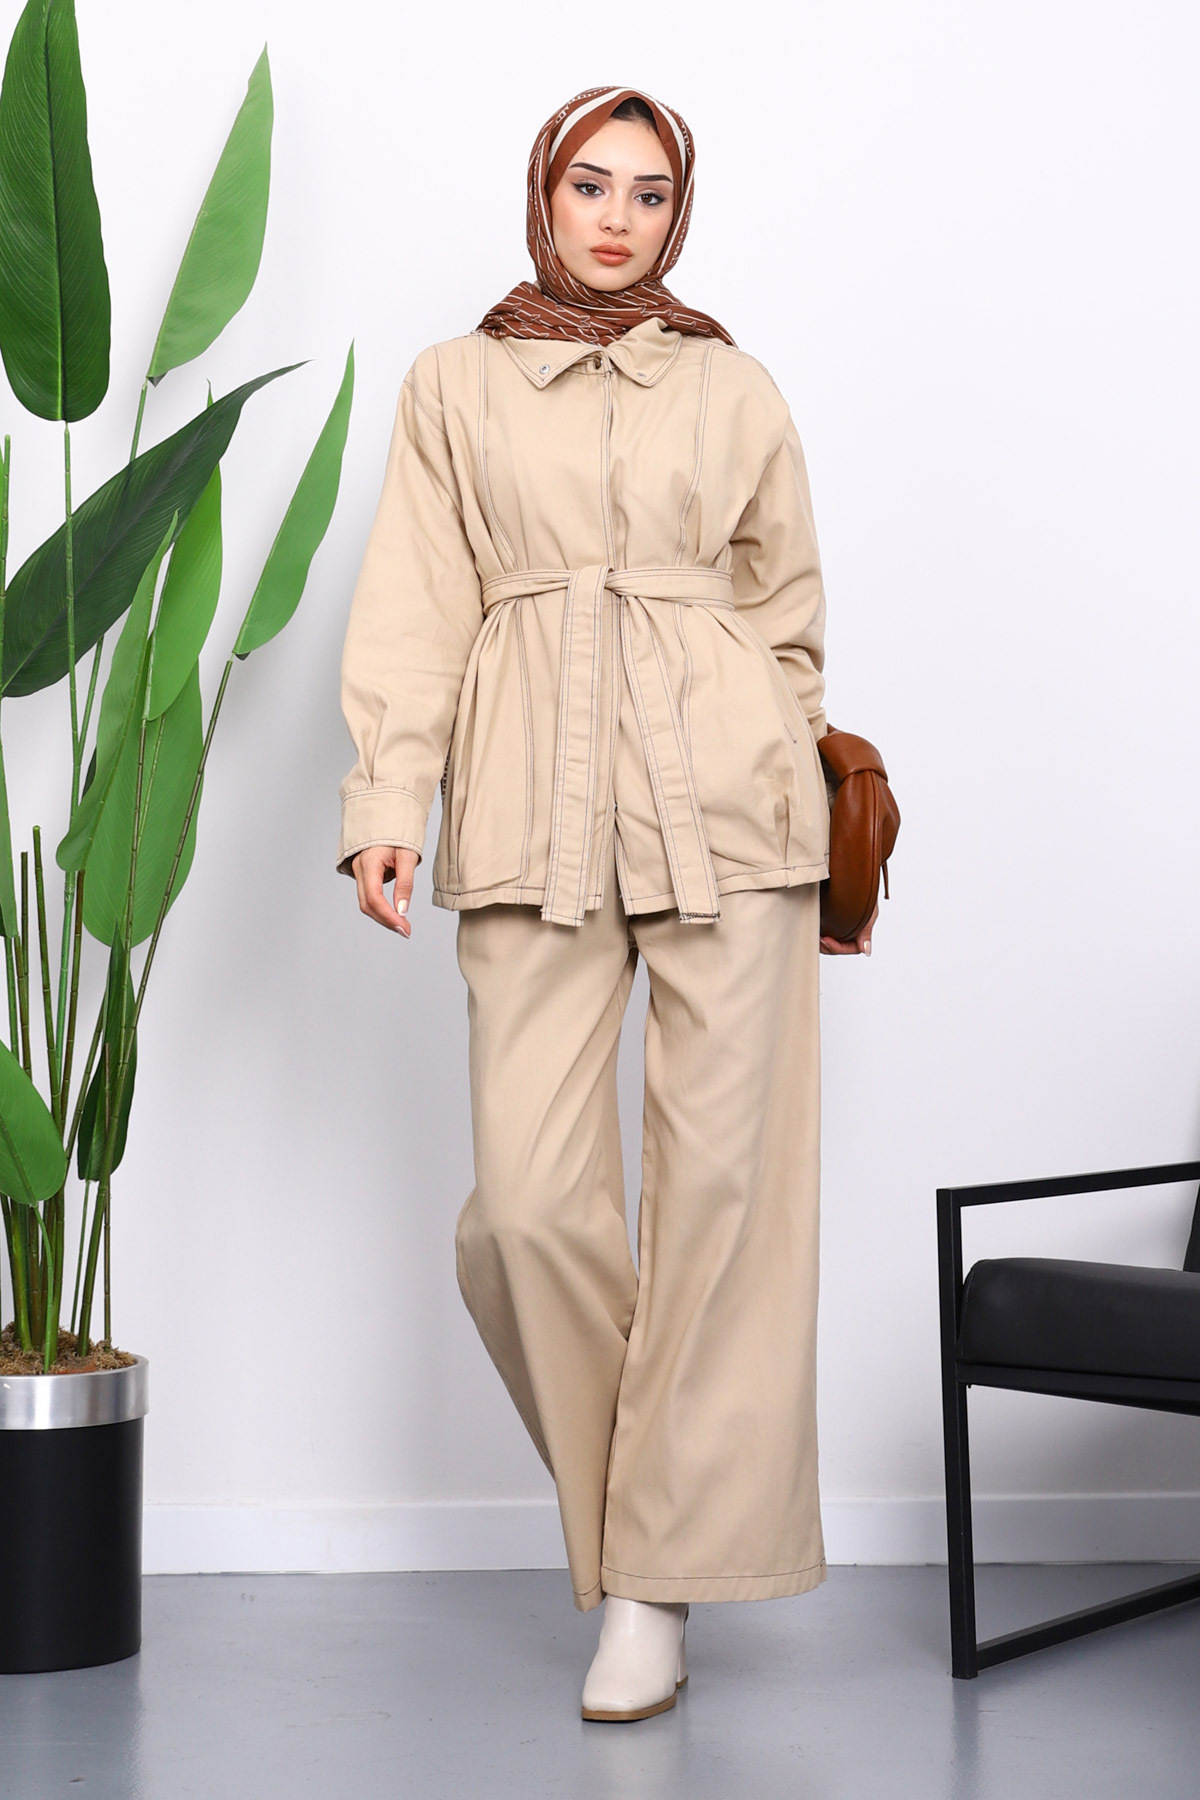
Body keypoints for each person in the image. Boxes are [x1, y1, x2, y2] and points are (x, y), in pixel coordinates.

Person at [336, 84, 876, 1724]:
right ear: (545, 196)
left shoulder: (734, 383)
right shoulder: (452, 385)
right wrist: (388, 801)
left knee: (726, 1205)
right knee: (526, 1211)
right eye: (592, 185)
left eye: (648, 193)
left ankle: (651, 1590)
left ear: (676, 215)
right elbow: (415, 607)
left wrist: (800, 779)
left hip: (736, 813)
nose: (618, 218)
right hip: (528, 803)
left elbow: (786, 617)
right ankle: (641, 1531)